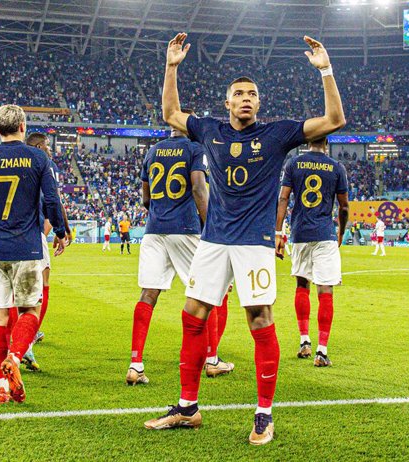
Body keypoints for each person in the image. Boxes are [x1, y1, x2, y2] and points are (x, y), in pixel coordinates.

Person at [143, 32, 345, 446]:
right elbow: (170, 112)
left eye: (252, 94)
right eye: (239, 94)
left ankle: (264, 415)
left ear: (259, 102)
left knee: (259, 320)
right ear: (228, 102)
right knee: (192, 315)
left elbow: (334, 121)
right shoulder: (210, 130)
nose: (246, 99)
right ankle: (187, 407)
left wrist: (325, 70)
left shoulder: (278, 134)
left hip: (254, 244)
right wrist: (171, 65)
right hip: (213, 240)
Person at [0, 105, 67, 405]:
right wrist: (61, 231)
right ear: (23, 126)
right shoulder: (38, 157)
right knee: (29, 311)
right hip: (27, 246)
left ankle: (0, 385)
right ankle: (14, 355)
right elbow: (51, 199)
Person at [127, 110, 233, 386]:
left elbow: (145, 197)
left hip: (154, 229)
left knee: (148, 294)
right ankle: (211, 360)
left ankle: (135, 365)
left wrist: (159, 214)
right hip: (185, 228)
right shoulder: (195, 149)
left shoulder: (152, 152)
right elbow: (199, 188)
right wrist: (212, 227)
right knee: (209, 291)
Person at [275, 137, 349, 367]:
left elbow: (284, 197)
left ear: (307, 142)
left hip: (299, 233)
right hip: (325, 232)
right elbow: (344, 206)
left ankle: (304, 341)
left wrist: (279, 232)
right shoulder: (336, 167)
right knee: (325, 288)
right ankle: (322, 351)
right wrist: (341, 232)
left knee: (301, 285)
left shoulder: (294, 164)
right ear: (326, 142)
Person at [21, 131, 72, 371]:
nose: (51, 151)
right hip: (33, 233)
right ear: (41, 146)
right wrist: (62, 232)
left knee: (16, 291)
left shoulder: (17, 160)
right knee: (41, 286)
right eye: (48, 147)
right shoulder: (45, 163)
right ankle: (25, 342)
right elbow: (54, 199)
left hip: (6, 235)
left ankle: (23, 336)